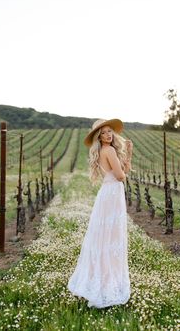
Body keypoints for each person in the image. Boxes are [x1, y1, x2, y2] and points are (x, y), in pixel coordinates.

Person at [67, 118, 133, 308]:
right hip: (113, 193)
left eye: (109, 131)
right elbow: (121, 176)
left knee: (105, 238)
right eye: (103, 133)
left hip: (108, 193)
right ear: (99, 137)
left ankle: (104, 280)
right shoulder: (110, 150)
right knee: (111, 237)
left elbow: (123, 170)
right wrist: (124, 167)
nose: (108, 135)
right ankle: (107, 284)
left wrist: (128, 153)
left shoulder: (105, 151)